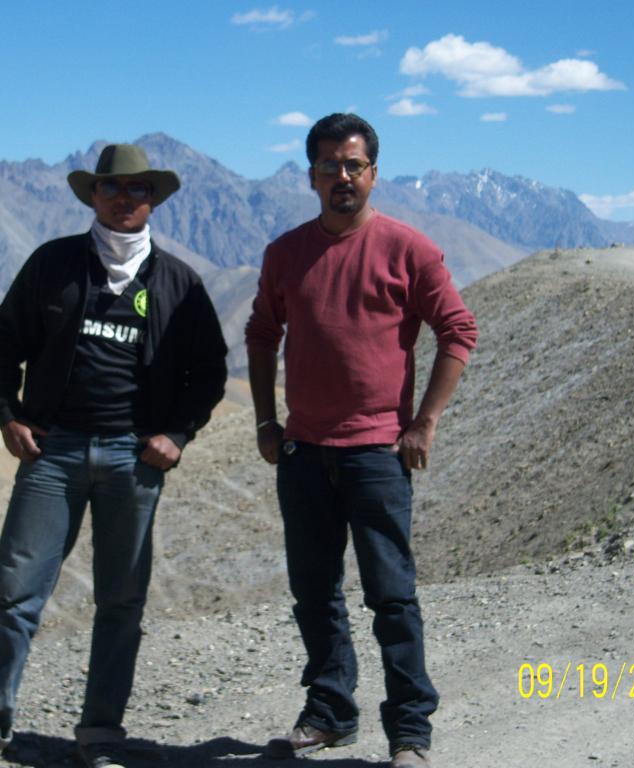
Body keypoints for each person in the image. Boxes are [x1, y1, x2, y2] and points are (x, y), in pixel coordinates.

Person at [0, 143, 228, 768]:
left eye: (138, 190)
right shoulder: (54, 265)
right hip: (53, 453)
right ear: (93, 195)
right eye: (113, 188)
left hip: (135, 461)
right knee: (14, 592)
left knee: (121, 601)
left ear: (154, 199)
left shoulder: (179, 282)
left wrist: (177, 435)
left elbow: (209, 372)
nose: (125, 199)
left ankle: (100, 733)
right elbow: (4, 341)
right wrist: (8, 414)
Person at [245, 113, 478, 768]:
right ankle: (330, 712)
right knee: (314, 592)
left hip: (377, 452)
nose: (341, 177)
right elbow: (262, 334)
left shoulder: (409, 249)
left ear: (373, 173)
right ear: (311, 175)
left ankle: (410, 732)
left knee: (391, 595)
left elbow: (458, 330)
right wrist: (267, 421)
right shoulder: (286, 253)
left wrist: (424, 421)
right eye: (329, 166)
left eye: (353, 165)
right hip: (303, 452)